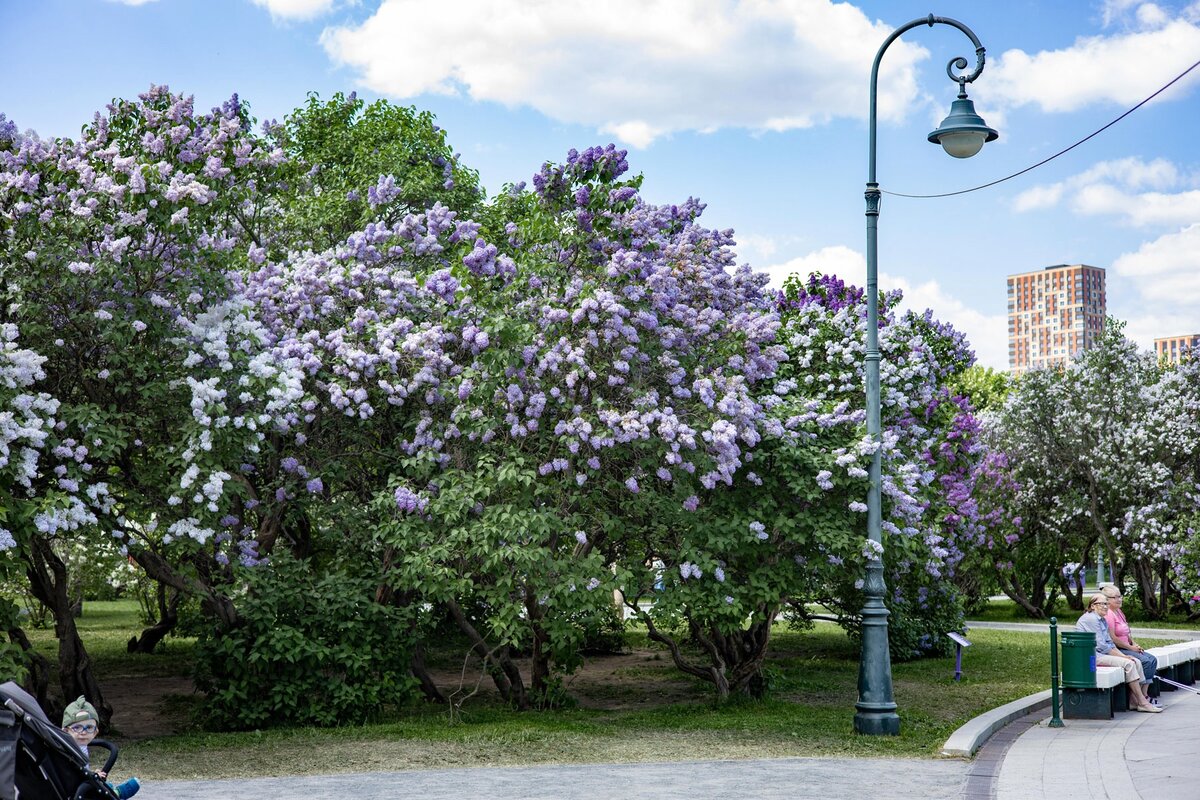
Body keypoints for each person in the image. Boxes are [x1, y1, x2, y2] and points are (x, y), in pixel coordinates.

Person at [1076, 594, 1161, 712]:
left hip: (1100, 654)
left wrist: (1125, 656)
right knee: (1129, 664)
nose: (1105, 606)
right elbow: (1101, 646)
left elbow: (1110, 644)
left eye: (1106, 603)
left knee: (1136, 661)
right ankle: (1142, 702)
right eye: (1102, 604)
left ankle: (1135, 701)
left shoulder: (1101, 619)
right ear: (1093, 606)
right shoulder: (1091, 619)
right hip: (1091, 656)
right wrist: (1124, 657)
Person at [62, 696, 142, 798]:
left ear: (95, 732)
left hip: (82, 786)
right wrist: (92, 777)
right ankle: (117, 793)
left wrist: (90, 774)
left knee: (104, 785)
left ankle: (113, 791)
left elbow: (79, 770)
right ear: (65, 731)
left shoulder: (80, 746)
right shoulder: (67, 750)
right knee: (102, 788)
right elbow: (71, 775)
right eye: (77, 728)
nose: (83, 732)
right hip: (77, 791)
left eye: (89, 728)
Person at [1101, 584, 1159, 700]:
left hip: (1127, 646)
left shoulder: (1119, 612)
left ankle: (1144, 694)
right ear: (1106, 600)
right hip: (1118, 649)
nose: (1119, 599)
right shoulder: (1109, 615)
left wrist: (1134, 644)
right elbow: (1113, 638)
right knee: (1145, 662)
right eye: (1115, 597)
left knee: (1152, 659)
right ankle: (1137, 697)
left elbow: (1127, 633)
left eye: (1120, 596)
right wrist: (1131, 648)